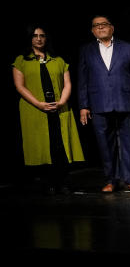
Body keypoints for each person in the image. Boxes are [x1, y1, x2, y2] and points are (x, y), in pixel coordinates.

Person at [76, 15, 130, 193]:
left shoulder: (128, 48)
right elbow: (82, 80)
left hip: (125, 101)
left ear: (112, 28)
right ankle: (111, 180)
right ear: (92, 31)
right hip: (98, 103)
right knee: (104, 144)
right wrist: (84, 106)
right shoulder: (86, 50)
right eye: (96, 26)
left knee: (128, 142)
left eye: (104, 24)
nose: (100, 28)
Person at [12, 26, 84, 194]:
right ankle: (48, 183)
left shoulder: (58, 60)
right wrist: (39, 104)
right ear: (30, 38)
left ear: (47, 38)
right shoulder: (21, 60)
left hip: (59, 109)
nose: (39, 39)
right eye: (35, 36)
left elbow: (68, 84)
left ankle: (63, 181)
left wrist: (62, 102)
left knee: (60, 145)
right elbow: (19, 86)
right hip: (35, 110)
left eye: (42, 36)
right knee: (42, 146)